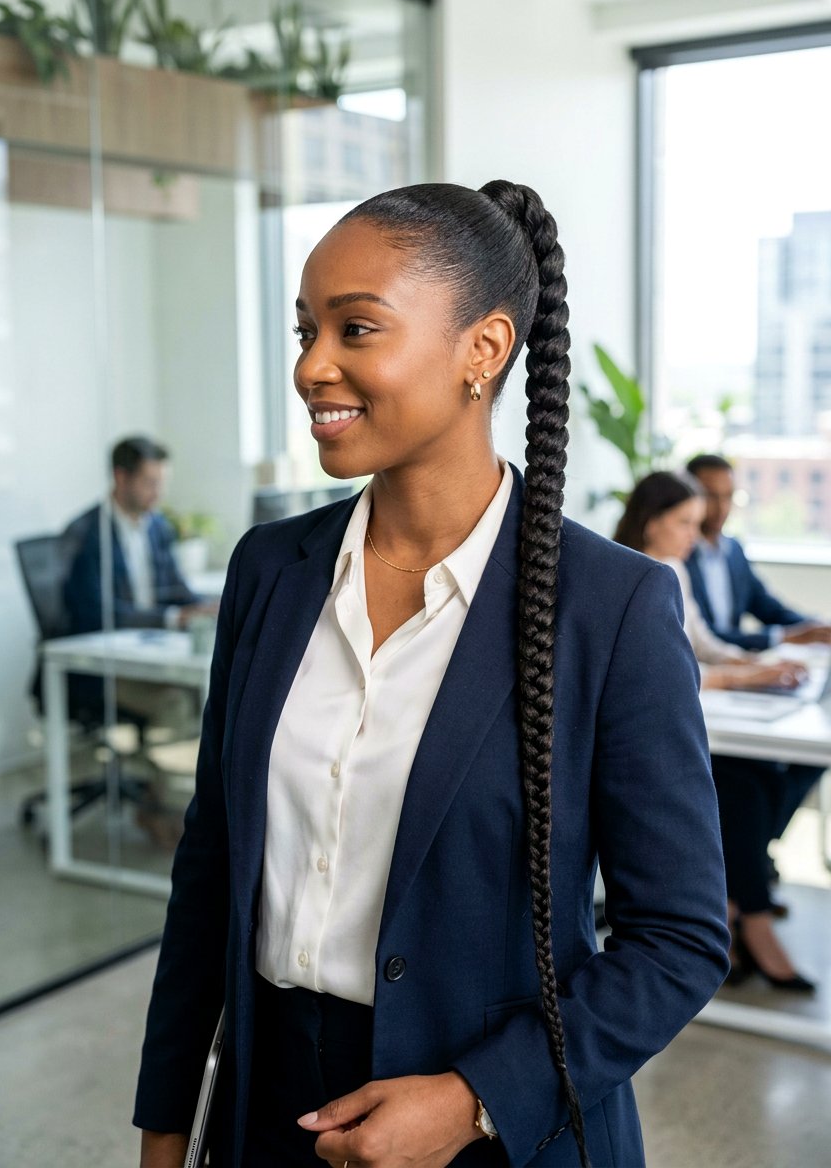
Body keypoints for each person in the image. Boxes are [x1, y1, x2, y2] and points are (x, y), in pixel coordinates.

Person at [135, 182, 729, 1168]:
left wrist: (472, 1100)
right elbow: (209, 872)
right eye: (303, 330)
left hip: (497, 1129)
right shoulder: (268, 571)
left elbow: (674, 938)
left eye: (354, 328)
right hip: (265, 1114)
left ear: (482, 350)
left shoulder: (607, 606)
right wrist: (165, 1134)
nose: (310, 366)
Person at [615, 471, 817, 994]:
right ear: (651, 521)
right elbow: (672, 672)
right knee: (745, 787)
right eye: (683, 523)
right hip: (653, 732)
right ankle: (751, 918)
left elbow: (700, 643)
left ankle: (734, 900)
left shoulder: (675, 568)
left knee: (765, 776)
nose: (693, 535)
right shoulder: (636, 574)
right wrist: (748, 675)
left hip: (707, 710)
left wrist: (757, 663)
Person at [63, 435, 215, 728]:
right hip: (103, 669)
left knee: (218, 691)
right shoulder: (85, 534)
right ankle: (167, 774)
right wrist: (173, 617)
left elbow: (175, 588)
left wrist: (206, 608)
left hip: (150, 654)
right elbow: (98, 613)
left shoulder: (156, 526)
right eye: (150, 482)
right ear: (121, 477)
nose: (158, 493)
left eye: (162, 482)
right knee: (179, 704)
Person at [685, 453, 831, 651]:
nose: (721, 507)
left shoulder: (733, 550)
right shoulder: (679, 556)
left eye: (728, 496)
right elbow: (703, 637)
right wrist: (782, 638)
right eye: (711, 496)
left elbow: (768, 608)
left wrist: (816, 626)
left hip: (737, 662)